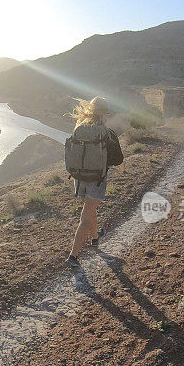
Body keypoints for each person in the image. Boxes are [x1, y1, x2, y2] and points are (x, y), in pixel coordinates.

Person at [65, 97, 122, 268]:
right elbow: (118, 159)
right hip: (97, 180)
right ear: (105, 112)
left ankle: (96, 238)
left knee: (90, 210)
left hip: (79, 178)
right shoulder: (107, 133)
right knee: (85, 217)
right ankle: (73, 256)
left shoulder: (79, 129)